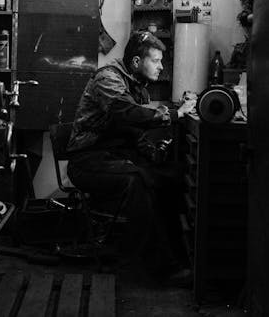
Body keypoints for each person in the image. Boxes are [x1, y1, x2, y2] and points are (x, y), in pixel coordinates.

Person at [65, 31, 197, 285]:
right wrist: (175, 114)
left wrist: (157, 152)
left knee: (171, 178)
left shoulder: (138, 89)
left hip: (114, 156)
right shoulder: (108, 78)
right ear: (137, 62)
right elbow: (125, 113)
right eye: (156, 61)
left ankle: (182, 256)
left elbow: (133, 137)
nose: (161, 67)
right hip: (87, 161)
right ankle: (161, 269)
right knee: (137, 181)